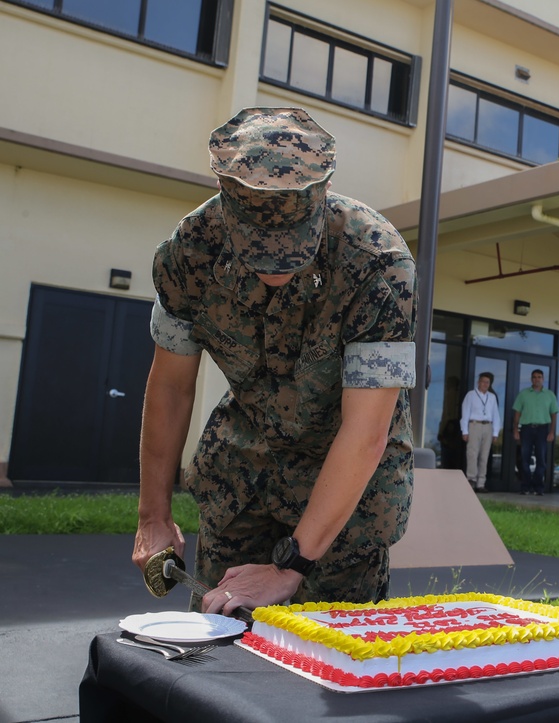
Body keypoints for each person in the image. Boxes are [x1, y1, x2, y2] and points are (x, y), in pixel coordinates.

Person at [131, 107, 417, 617]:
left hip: (346, 495)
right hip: (242, 476)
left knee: (329, 661)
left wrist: (290, 568)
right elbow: (171, 387)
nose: (275, 266)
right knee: (217, 641)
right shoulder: (189, 254)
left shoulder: (377, 262)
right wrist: (153, 516)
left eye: (290, 248)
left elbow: (366, 431)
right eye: (258, 250)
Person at [512, 369, 558, 496]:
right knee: (524, 458)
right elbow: (517, 413)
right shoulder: (523, 394)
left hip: (543, 430)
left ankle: (538, 487)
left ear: (543, 379)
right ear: (531, 379)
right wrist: (516, 429)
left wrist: (552, 432)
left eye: (539, 377)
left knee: (541, 460)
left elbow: (554, 414)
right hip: (526, 429)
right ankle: (525, 487)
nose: (537, 379)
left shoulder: (550, 395)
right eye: (534, 377)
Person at [460, 372, 502, 491]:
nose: (485, 384)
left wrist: (495, 433)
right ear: (478, 382)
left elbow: (496, 415)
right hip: (475, 425)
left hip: (487, 426)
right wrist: (465, 431)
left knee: (484, 455)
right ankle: (471, 479)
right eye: (483, 381)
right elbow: (465, 412)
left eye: (487, 382)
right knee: (472, 453)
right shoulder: (471, 395)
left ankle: (481, 483)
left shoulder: (492, 397)